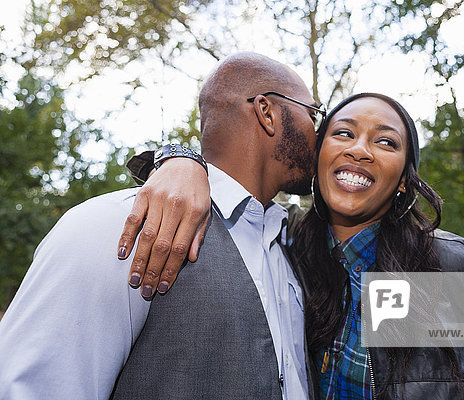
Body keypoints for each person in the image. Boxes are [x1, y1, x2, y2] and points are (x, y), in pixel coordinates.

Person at [124, 93, 464, 399]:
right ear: (317, 159)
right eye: (343, 133)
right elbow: (229, 187)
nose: (360, 150)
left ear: (402, 181)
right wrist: (181, 161)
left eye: (385, 141)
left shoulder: (459, 274)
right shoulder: (283, 247)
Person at [0, 52, 324, 399]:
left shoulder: (299, 243)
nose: (320, 135)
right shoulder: (118, 226)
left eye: (387, 142)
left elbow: (389, 344)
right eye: (314, 114)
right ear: (267, 112)